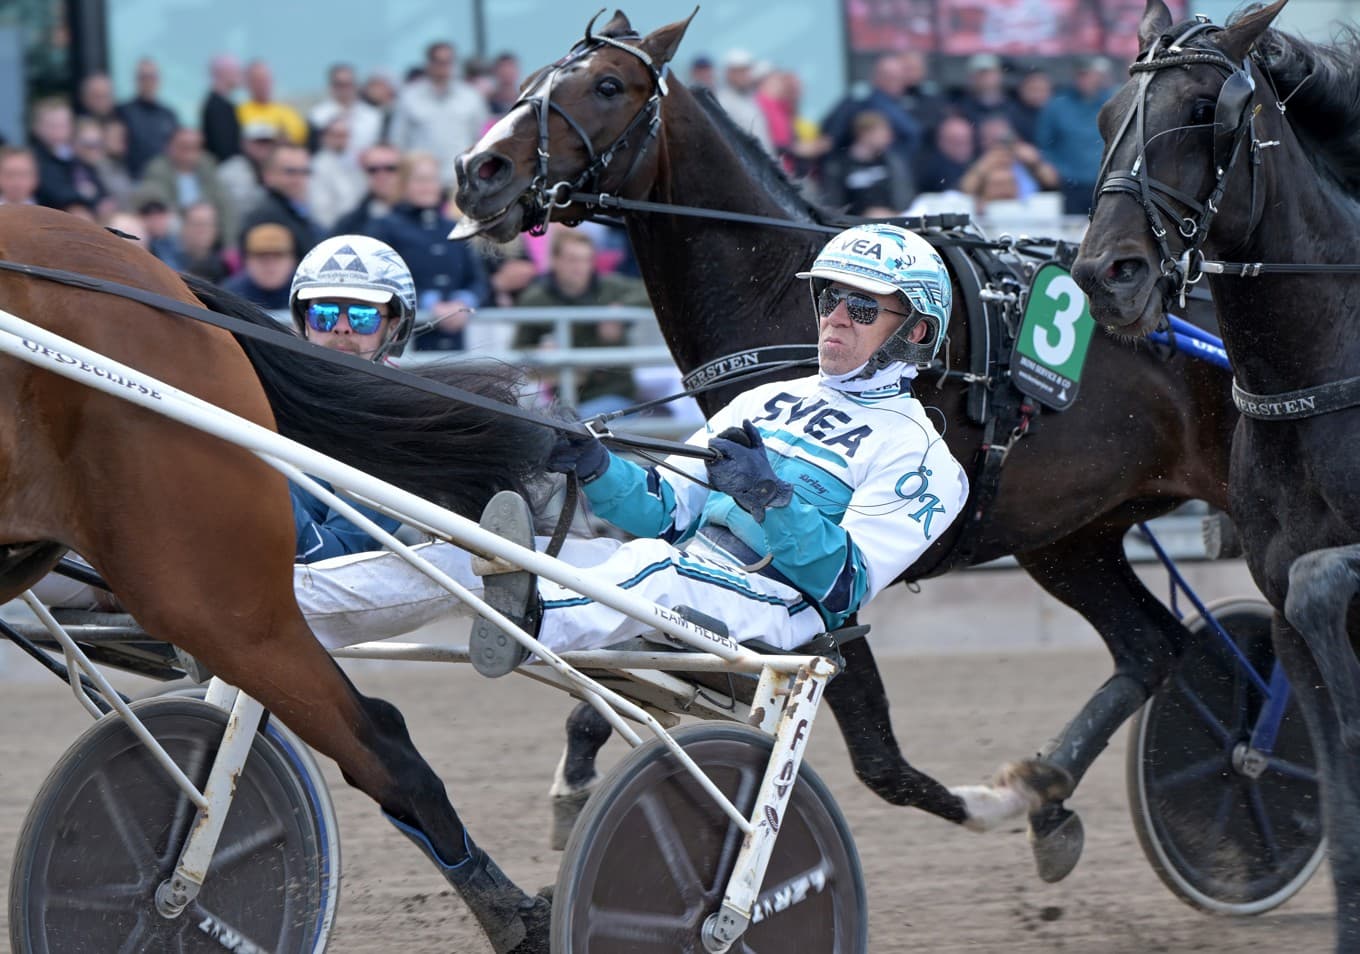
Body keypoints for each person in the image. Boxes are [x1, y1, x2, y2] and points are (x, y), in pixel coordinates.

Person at [288, 224, 968, 672]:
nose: (836, 319)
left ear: (914, 331)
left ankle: (530, 623)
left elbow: (845, 585)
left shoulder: (924, 458)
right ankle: (289, 608)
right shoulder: (763, 401)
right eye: (830, 301)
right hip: (676, 572)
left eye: (862, 307)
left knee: (651, 567)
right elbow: (668, 509)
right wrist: (594, 464)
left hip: (773, 607)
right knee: (499, 552)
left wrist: (771, 498)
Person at [513, 228, 651, 417]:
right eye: (572, 260)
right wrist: (540, 355)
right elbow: (517, 351)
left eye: (586, 260)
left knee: (573, 425)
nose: (580, 267)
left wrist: (620, 310)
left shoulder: (610, 286)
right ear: (554, 260)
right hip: (557, 397)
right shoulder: (535, 298)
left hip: (613, 393)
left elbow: (651, 292)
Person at [373, 151, 488, 350]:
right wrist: (428, 303)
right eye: (420, 180)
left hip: (455, 340)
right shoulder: (386, 227)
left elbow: (478, 279)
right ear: (403, 184)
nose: (428, 187)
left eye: (432, 179)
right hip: (409, 342)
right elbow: (382, 278)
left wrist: (463, 302)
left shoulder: (454, 228)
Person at [389, 41, 489, 185]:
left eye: (447, 61)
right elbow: (397, 141)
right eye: (438, 61)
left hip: (461, 181)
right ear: (428, 63)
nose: (443, 67)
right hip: (421, 181)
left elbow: (482, 140)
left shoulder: (472, 97)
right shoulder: (408, 97)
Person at [1035, 57, 1115, 215]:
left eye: (1090, 75)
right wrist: (1049, 165)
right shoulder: (1056, 106)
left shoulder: (1113, 102)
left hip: (1106, 182)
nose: (1085, 80)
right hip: (1068, 185)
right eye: (1081, 75)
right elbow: (1043, 144)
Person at [141, 126, 236, 245]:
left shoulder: (207, 165)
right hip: (175, 228)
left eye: (195, 147)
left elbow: (223, 201)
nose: (190, 153)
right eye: (184, 147)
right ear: (170, 147)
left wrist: (230, 244)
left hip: (206, 224)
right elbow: (158, 201)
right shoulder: (158, 169)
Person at [819, 110, 916, 215]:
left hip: (893, 221)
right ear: (865, 134)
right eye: (882, 132)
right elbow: (833, 206)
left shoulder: (892, 162)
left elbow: (905, 199)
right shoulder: (838, 167)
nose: (888, 137)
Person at [237, 142, 323, 257]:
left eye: (305, 172)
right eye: (290, 172)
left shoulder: (299, 212)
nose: (299, 179)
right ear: (268, 175)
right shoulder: (264, 216)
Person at [115, 57, 179, 178]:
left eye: (152, 77)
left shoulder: (169, 114)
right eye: (143, 77)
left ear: (158, 80)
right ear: (136, 80)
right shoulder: (122, 112)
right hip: (134, 179)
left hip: (164, 180)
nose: (148, 82)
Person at [308, 63, 382, 162]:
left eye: (348, 84)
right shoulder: (317, 115)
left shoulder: (373, 116)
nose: (345, 89)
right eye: (340, 84)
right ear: (331, 85)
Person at [332, 142, 404, 236]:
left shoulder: (422, 216)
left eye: (390, 168)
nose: (382, 175)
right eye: (373, 169)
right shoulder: (349, 225)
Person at [308, 116, 367, 230]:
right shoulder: (317, 165)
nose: (341, 140)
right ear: (324, 137)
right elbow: (320, 208)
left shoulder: (357, 161)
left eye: (345, 135)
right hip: (333, 228)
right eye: (336, 135)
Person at [223, 222, 298, 310]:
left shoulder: (305, 294)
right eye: (261, 257)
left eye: (278, 256)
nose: (270, 265)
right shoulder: (229, 297)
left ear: (292, 260)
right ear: (247, 261)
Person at [715, 49, 774, 154]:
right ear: (729, 73)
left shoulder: (751, 99)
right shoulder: (722, 102)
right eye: (740, 71)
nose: (744, 76)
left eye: (746, 70)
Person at [237, 60, 308, 147]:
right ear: (247, 83)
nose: (262, 85)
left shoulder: (288, 113)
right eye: (257, 80)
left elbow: (300, 140)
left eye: (265, 79)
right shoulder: (237, 113)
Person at [201, 54, 243, 163]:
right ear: (223, 73)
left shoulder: (224, 104)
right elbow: (224, 146)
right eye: (237, 71)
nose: (240, 76)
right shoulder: (216, 107)